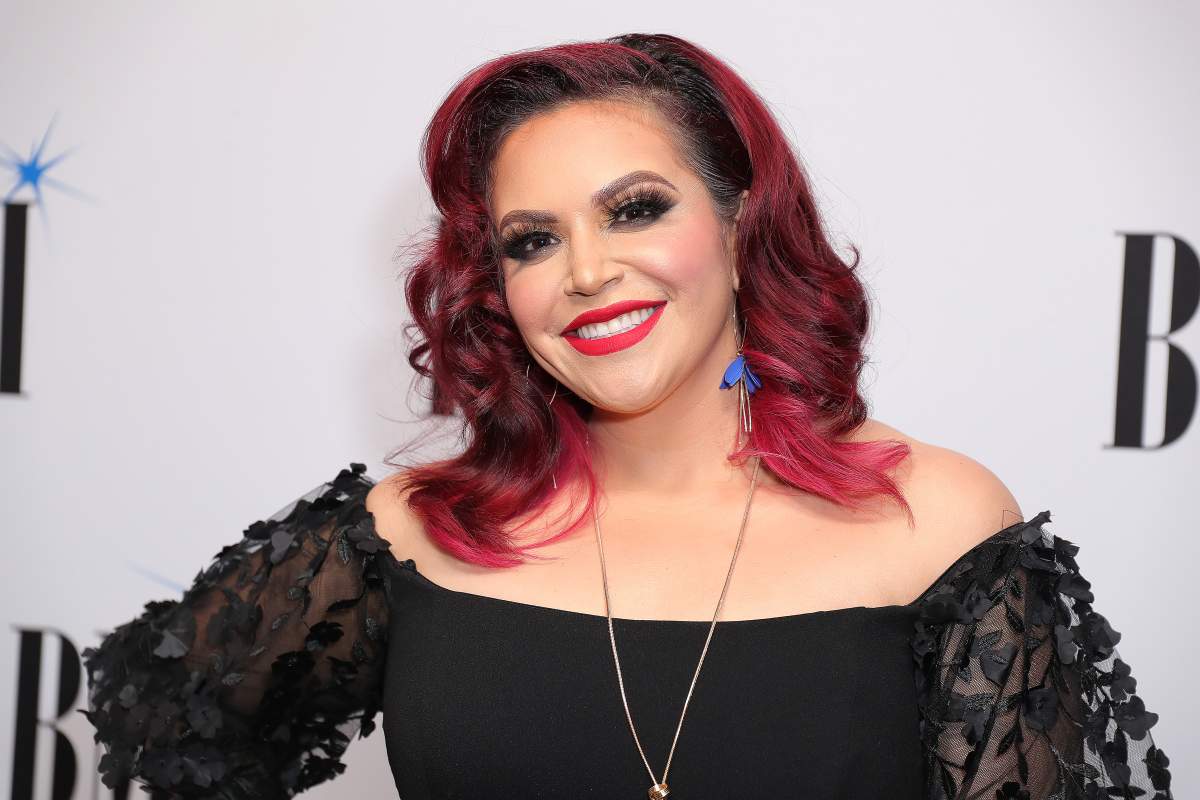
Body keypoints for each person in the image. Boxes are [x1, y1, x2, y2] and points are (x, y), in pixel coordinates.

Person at [80, 33, 1173, 799]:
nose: (587, 271)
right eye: (532, 240)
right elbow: (165, 709)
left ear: (741, 227)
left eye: (635, 209)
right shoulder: (413, 528)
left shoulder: (938, 521)